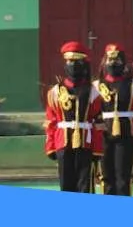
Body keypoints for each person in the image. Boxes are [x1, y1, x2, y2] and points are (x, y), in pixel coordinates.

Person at [44, 41, 103, 193]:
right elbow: (51, 121)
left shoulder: (93, 92)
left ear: (84, 64)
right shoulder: (55, 92)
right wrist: (50, 146)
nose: (73, 65)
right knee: (66, 184)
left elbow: (98, 123)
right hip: (62, 142)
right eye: (69, 61)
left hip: (86, 143)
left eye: (77, 61)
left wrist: (97, 149)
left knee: (85, 184)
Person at [95, 43, 133, 196]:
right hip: (104, 133)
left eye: (117, 60)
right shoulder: (96, 86)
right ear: (105, 61)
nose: (113, 63)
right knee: (106, 175)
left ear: (123, 62)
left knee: (123, 175)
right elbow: (93, 114)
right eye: (110, 59)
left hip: (126, 132)